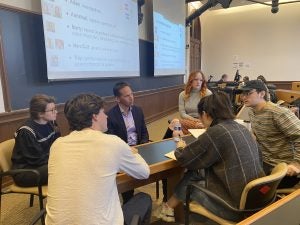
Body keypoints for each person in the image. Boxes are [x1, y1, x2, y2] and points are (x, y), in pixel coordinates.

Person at [157, 92, 264, 222]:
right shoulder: (241, 128)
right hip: (256, 200)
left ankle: (169, 208)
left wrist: (180, 146)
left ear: (205, 114)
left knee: (192, 176)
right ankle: (168, 207)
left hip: (234, 207)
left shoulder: (217, 131)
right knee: (197, 171)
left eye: (200, 116)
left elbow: (184, 158)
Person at [46, 93, 152, 225]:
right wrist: (133, 152)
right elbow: (144, 173)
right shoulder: (112, 143)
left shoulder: (57, 145)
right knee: (144, 198)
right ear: (94, 116)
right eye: (103, 112)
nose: (107, 116)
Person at [240, 80, 300, 188]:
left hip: (284, 168)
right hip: (266, 163)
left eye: (248, 93)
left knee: (254, 192)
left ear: (262, 93)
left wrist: (297, 164)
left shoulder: (278, 113)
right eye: (242, 93)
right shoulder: (252, 111)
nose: (243, 97)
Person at [107, 82, 149, 203]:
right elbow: (112, 140)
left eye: (131, 94)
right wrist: (127, 150)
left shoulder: (138, 110)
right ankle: (128, 203)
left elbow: (144, 132)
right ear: (117, 99)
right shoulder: (110, 115)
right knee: (126, 181)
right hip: (123, 152)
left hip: (140, 147)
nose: (131, 97)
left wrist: (143, 145)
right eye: (126, 96)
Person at [11, 94, 60, 187]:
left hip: (43, 165)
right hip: (26, 172)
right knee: (63, 168)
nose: (56, 112)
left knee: (69, 163)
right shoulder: (26, 131)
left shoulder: (51, 123)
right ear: (40, 113)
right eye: (52, 110)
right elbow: (37, 160)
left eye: (55, 108)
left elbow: (57, 145)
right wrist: (58, 160)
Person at [177, 70, 212, 135]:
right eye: (196, 79)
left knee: (176, 124)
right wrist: (195, 121)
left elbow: (210, 112)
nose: (198, 82)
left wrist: (201, 121)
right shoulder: (182, 94)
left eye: (201, 80)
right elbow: (182, 114)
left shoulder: (208, 93)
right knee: (176, 124)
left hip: (203, 121)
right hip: (188, 120)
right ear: (191, 81)